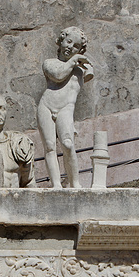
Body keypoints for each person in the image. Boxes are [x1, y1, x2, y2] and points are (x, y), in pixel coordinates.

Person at [38, 26, 94, 188]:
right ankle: (56, 184)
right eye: (68, 42)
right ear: (61, 41)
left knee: (68, 144)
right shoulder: (50, 63)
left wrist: (80, 63)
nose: (70, 47)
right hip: (46, 106)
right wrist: (74, 60)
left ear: (80, 50)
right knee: (49, 147)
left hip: (66, 109)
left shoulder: (81, 69)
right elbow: (58, 75)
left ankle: (75, 183)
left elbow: (89, 73)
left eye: (75, 46)